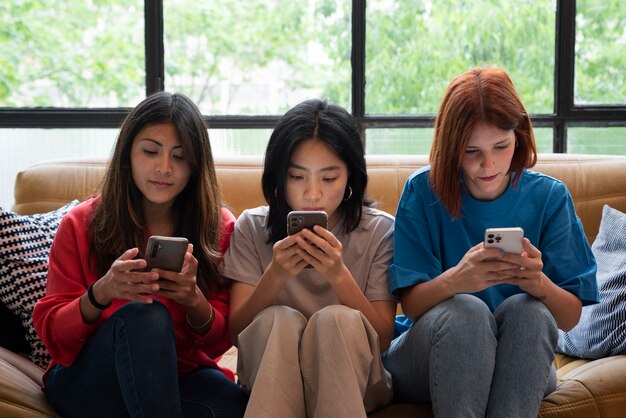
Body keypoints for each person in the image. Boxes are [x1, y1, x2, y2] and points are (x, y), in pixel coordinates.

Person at [382, 67, 598, 418]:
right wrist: (457, 280)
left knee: (529, 310)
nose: (489, 164)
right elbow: (413, 307)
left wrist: (538, 284)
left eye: (501, 146)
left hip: (518, 359)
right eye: (471, 151)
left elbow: (570, 317)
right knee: (466, 310)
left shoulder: (549, 197)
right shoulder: (422, 192)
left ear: (519, 135)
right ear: (451, 148)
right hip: (433, 353)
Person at [33, 91, 248, 418]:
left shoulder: (218, 227)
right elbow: (54, 337)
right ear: (127, 155)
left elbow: (219, 343)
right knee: (146, 315)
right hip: (89, 378)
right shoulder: (81, 223)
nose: (164, 168)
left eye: (180, 157)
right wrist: (102, 293)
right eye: (150, 151)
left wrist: (193, 298)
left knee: (233, 404)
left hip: (177, 377)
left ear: (195, 166)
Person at [222, 99, 396, 418]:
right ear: (278, 177)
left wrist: (338, 274)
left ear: (349, 180)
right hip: (270, 379)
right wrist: (276, 274)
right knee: (279, 319)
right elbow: (238, 333)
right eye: (297, 177)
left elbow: (383, 338)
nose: (312, 194)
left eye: (328, 179)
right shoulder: (251, 227)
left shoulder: (380, 230)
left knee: (335, 319)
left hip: (355, 382)